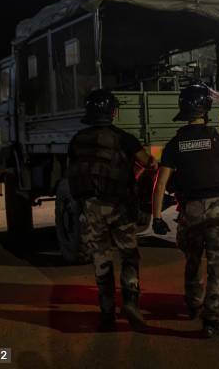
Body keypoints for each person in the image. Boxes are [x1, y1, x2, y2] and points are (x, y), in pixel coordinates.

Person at [151, 84, 219, 338]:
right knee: (216, 264)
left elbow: (160, 185)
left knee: (193, 261)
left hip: (189, 211)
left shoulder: (175, 144)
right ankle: (211, 319)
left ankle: (193, 304)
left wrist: (157, 216)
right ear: (207, 109)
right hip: (217, 211)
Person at [68, 89, 156, 331]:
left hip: (90, 207)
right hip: (119, 207)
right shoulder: (124, 138)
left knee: (101, 259)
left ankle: (106, 311)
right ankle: (130, 302)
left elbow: (73, 173)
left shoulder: (77, 140)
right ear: (113, 112)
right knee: (129, 256)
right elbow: (149, 162)